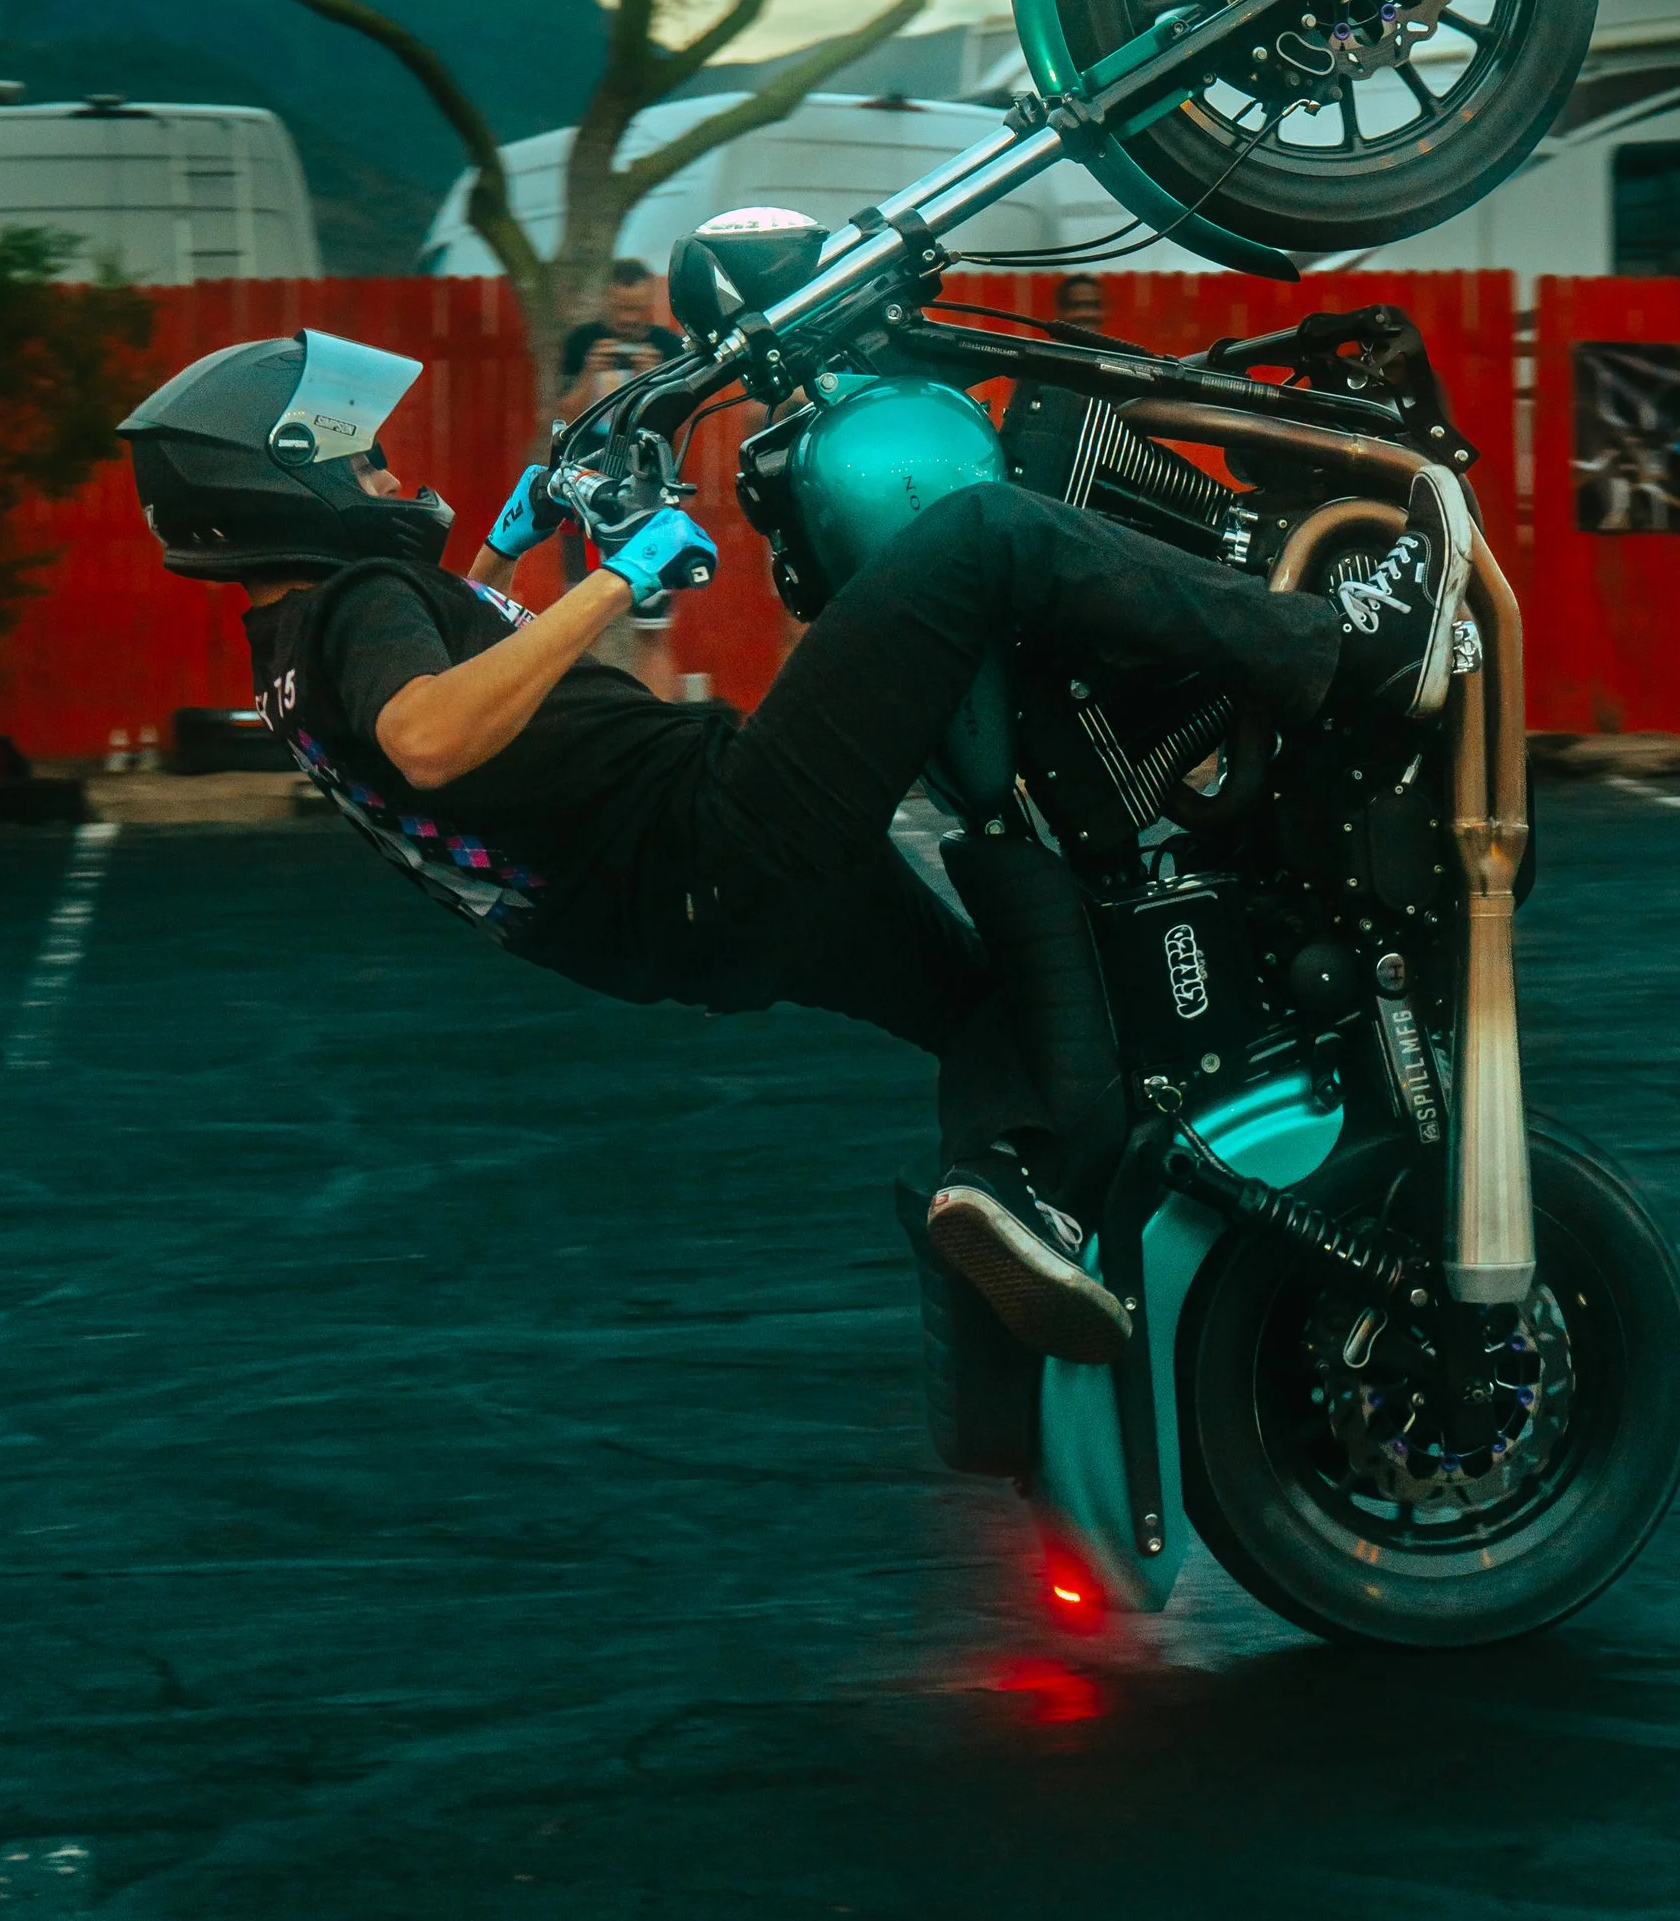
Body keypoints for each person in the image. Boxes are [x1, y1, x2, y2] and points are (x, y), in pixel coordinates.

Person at [118, 327, 1474, 1362]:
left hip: (683, 918)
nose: (385, 469)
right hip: (716, 836)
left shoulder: (291, 649)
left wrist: (513, 560)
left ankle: (1015, 1201)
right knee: (981, 540)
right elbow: (428, 738)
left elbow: (464, 730)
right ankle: (1347, 651)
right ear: (285, 488)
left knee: (998, 1008)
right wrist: (614, 579)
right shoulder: (358, 600)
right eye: (353, 457)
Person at [551, 262, 685, 700]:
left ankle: (660, 731)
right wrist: (592, 371)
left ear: (650, 306)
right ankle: (589, 722)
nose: (629, 321)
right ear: (607, 300)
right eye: (622, 310)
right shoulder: (583, 343)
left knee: (653, 626)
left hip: (650, 497)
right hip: (590, 494)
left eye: (638, 311)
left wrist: (655, 377)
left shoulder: (667, 346)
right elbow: (564, 417)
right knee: (582, 624)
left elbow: (676, 429)